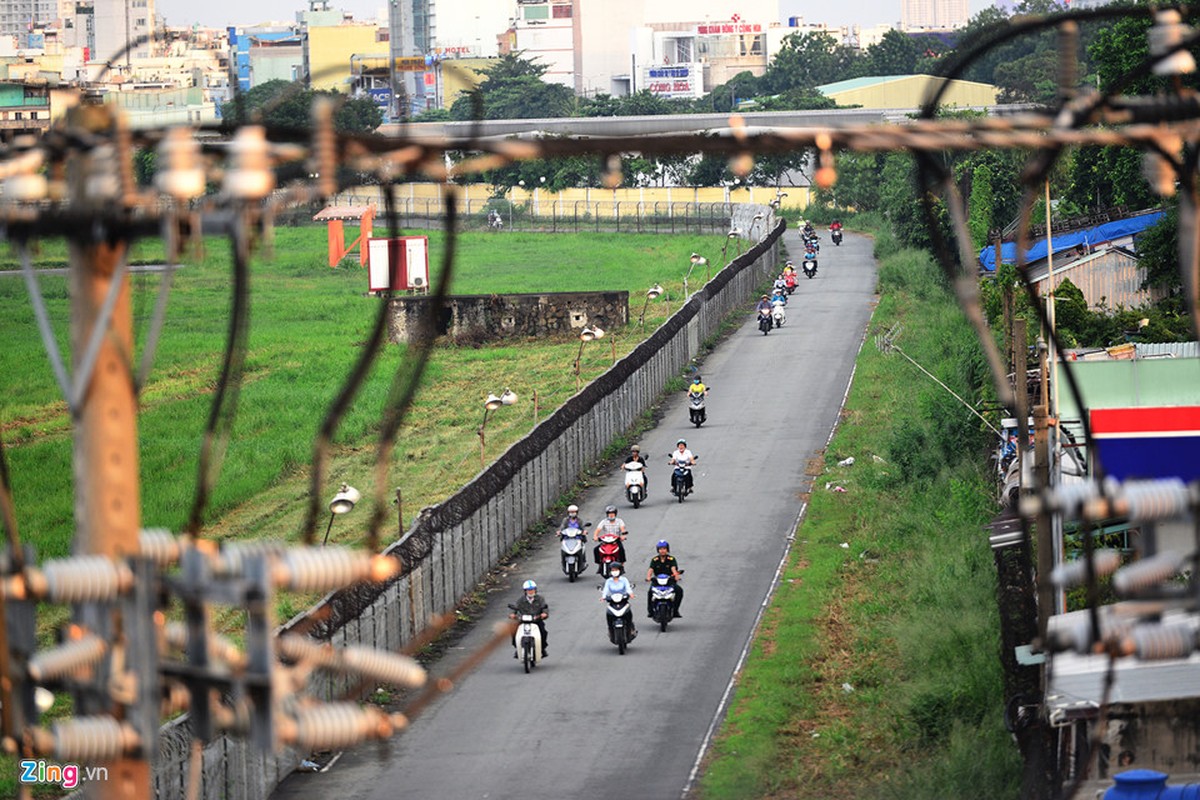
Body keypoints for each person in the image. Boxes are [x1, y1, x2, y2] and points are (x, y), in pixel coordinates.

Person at [509, 579, 549, 658]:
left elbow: (544, 607)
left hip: (536, 620)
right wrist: (512, 614)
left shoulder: (540, 599)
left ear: (535, 590)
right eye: (529, 590)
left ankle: (542, 649)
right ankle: (518, 648)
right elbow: (515, 608)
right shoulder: (521, 600)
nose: (531, 592)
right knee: (514, 632)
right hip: (523, 621)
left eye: (532, 590)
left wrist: (544, 614)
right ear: (525, 591)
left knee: (543, 632)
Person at [646, 540, 684, 618]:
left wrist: (676, 575)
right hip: (657, 581)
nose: (662, 551)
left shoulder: (671, 559)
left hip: (669, 581)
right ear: (658, 550)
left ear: (667, 549)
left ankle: (675, 610)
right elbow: (651, 569)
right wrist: (648, 577)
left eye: (664, 548)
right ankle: (650, 611)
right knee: (650, 592)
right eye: (660, 549)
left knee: (679, 590)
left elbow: (673, 568)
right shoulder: (654, 560)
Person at [601, 562, 636, 638]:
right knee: (609, 614)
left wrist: (631, 594)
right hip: (612, 601)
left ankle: (630, 629)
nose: (614, 571)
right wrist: (603, 597)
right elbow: (606, 589)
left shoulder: (624, 580)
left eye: (616, 569)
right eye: (612, 570)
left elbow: (628, 588)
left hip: (623, 600)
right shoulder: (608, 581)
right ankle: (610, 631)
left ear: (620, 570)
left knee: (628, 614)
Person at [592, 505, 628, 573]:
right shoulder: (604, 521)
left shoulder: (619, 521)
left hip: (616, 541)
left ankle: (622, 566)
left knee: (621, 550)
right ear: (607, 514)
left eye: (612, 513)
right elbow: (598, 529)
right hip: (605, 541)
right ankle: (599, 565)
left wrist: (623, 535)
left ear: (615, 514)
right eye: (609, 514)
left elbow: (623, 529)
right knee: (596, 549)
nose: (611, 515)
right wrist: (595, 536)